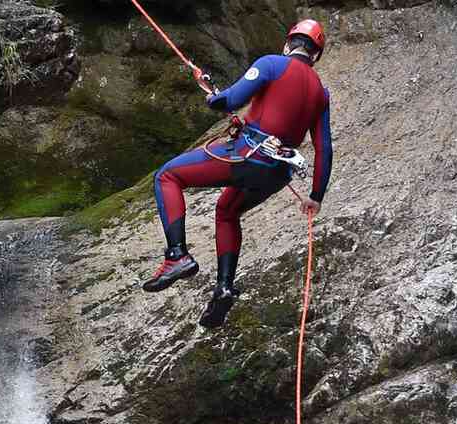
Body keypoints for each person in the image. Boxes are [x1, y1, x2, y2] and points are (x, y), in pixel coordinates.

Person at [141, 19, 334, 329]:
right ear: (316, 55)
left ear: (289, 44)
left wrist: (212, 97)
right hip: (276, 173)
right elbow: (324, 148)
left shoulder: (272, 63)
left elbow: (230, 100)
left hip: (247, 156)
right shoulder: (321, 93)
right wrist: (316, 195)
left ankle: (176, 255)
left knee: (167, 176)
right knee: (226, 211)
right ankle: (224, 288)